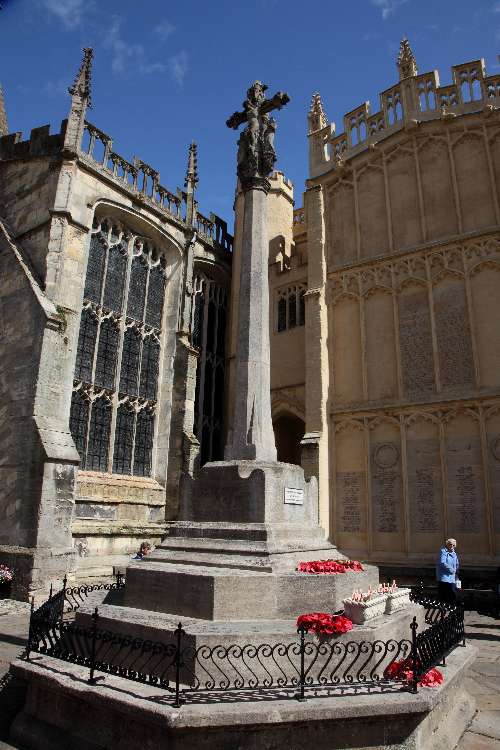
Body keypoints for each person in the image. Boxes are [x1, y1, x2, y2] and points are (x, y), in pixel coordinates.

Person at [436, 538, 459, 603]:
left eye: (453, 545)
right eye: (450, 544)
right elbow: (442, 562)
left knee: (452, 592)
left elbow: (456, 563)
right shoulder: (443, 551)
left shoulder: (454, 553)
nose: (452, 546)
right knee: (445, 593)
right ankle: (444, 607)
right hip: (444, 577)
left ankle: (450, 606)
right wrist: (451, 570)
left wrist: (456, 572)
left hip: (452, 576)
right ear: (447, 544)